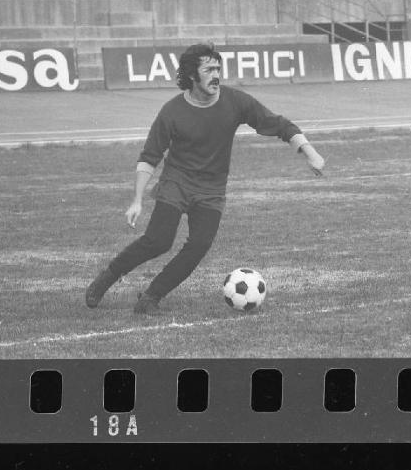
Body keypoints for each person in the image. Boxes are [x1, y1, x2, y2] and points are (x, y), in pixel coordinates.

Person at [86, 43, 325, 314]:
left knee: (199, 245)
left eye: (218, 68)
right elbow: (149, 156)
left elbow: (278, 124)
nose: (216, 75)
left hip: (212, 189)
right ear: (191, 75)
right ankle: (108, 276)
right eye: (209, 69)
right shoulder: (172, 111)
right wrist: (137, 200)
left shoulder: (235, 101)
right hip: (176, 183)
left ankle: (151, 297)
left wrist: (309, 151)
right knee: (159, 240)